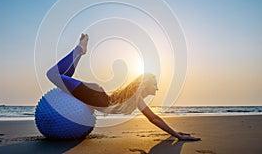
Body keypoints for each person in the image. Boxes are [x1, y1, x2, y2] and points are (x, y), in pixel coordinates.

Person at [47, 34, 200, 141]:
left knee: (60, 76)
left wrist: (173, 133)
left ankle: (80, 52)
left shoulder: (134, 98)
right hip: (94, 95)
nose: (157, 88)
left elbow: (155, 118)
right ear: (145, 85)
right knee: (53, 74)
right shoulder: (135, 97)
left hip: (95, 94)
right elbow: (154, 118)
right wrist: (177, 135)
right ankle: (80, 50)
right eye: (155, 84)